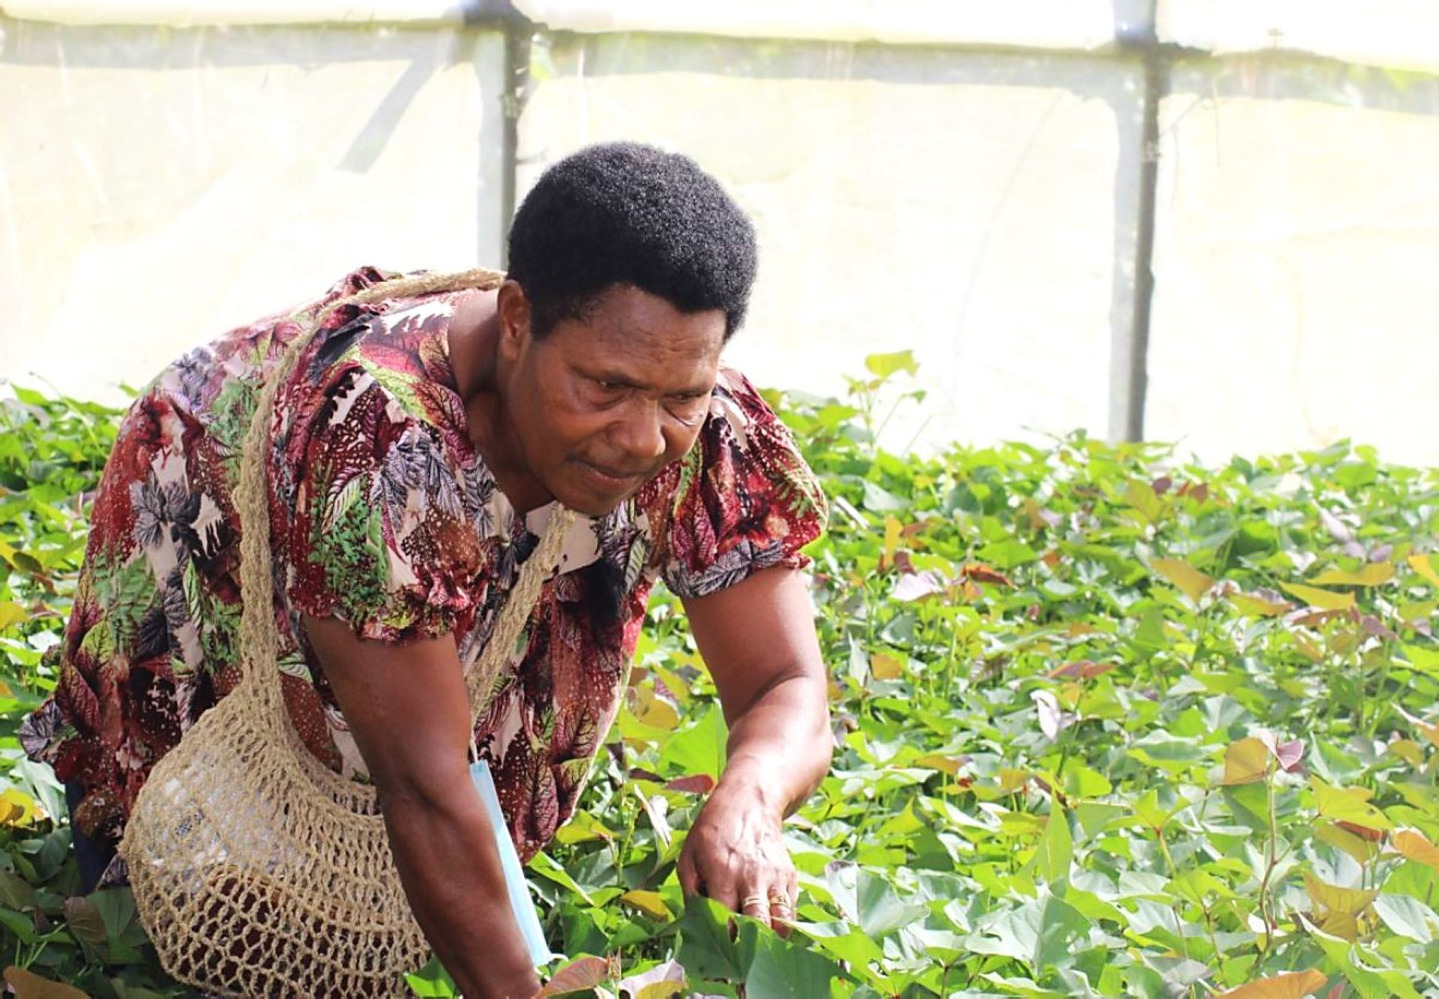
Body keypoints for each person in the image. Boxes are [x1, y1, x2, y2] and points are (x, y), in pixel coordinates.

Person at [22, 142, 833, 997]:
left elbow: (785, 681)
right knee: (220, 906)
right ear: (516, 320)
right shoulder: (379, 435)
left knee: (423, 879)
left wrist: (750, 796)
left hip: (403, 605)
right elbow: (424, 781)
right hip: (214, 525)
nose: (642, 437)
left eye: (680, 396)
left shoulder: (701, 422)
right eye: (604, 386)